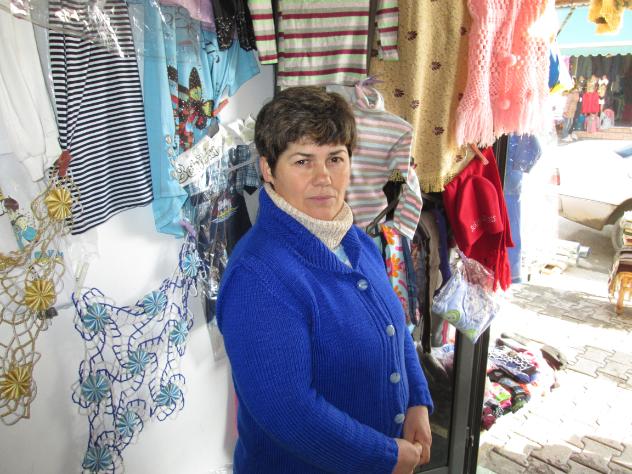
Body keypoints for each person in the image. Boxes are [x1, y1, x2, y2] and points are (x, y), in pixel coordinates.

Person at [217, 86, 434, 474]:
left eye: (335, 158)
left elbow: (394, 327)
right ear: (268, 169)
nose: (323, 178)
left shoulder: (356, 241)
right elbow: (290, 412)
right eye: (303, 161)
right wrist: (385, 457)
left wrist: (417, 399)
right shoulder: (257, 276)